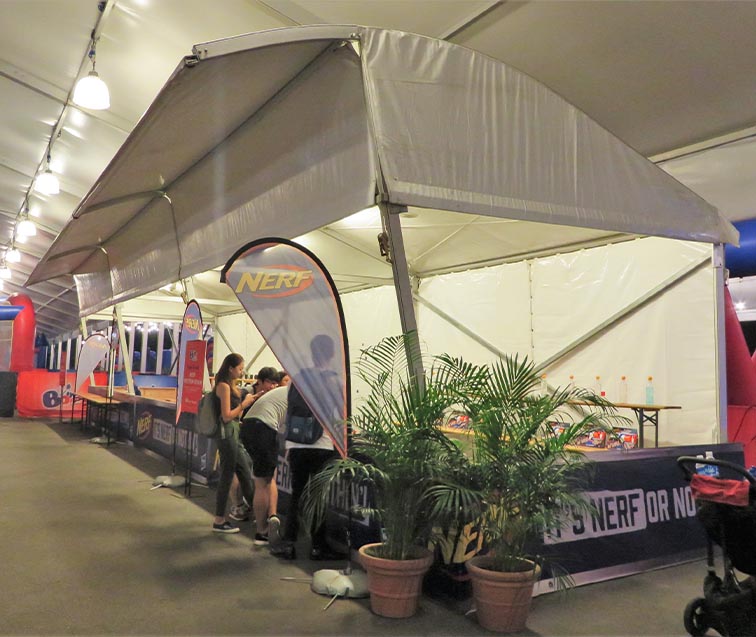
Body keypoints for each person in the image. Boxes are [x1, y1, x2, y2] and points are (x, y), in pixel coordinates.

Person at [274, 335, 343, 561]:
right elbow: (341, 415)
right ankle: (318, 546)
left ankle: (288, 544)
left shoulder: (297, 379)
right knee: (318, 497)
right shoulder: (335, 381)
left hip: (296, 444)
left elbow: (291, 410)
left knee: (297, 494)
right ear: (332, 354)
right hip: (322, 444)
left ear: (312, 353)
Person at [212, 353, 256, 533]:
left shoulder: (231, 387)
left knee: (244, 472)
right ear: (230, 368)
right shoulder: (223, 386)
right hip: (227, 435)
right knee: (227, 476)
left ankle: (257, 513)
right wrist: (244, 404)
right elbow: (227, 416)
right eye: (240, 368)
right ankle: (219, 520)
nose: (242, 371)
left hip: (233, 433)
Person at [240, 384, 288, 545]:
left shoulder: (286, 391)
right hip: (263, 428)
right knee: (262, 482)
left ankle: (270, 517)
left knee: (267, 477)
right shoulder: (303, 396)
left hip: (250, 426)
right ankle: (261, 532)